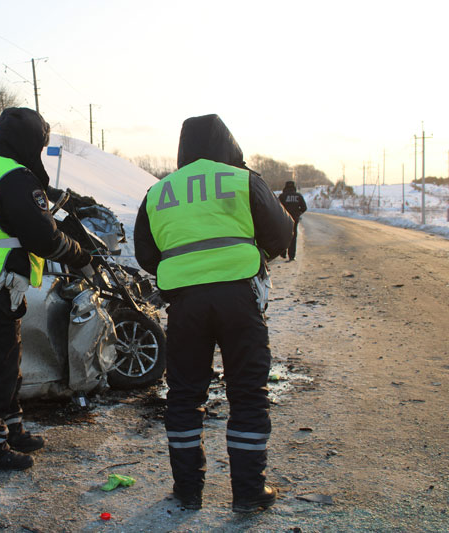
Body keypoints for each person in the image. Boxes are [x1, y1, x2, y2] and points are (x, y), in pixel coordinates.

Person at [133, 114, 293, 512]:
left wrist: (187, 269)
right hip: (238, 298)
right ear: (227, 144)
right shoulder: (241, 179)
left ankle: (188, 492)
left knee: (185, 396)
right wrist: (255, 256)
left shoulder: (158, 192)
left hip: (185, 304)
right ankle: (248, 493)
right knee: (247, 394)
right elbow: (281, 233)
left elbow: (146, 254)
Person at [0, 107, 92, 471]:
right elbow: (43, 238)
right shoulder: (15, 178)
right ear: (29, 142)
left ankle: (11, 426)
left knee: (8, 357)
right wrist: (80, 254)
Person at [278, 180, 307, 260]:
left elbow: (277, 207)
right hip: (294, 219)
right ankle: (291, 256)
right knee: (293, 237)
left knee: (283, 236)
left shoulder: (282, 196)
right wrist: (298, 213)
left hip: (284, 219)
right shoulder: (298, 196)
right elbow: (304, 208)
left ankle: (283, 253)